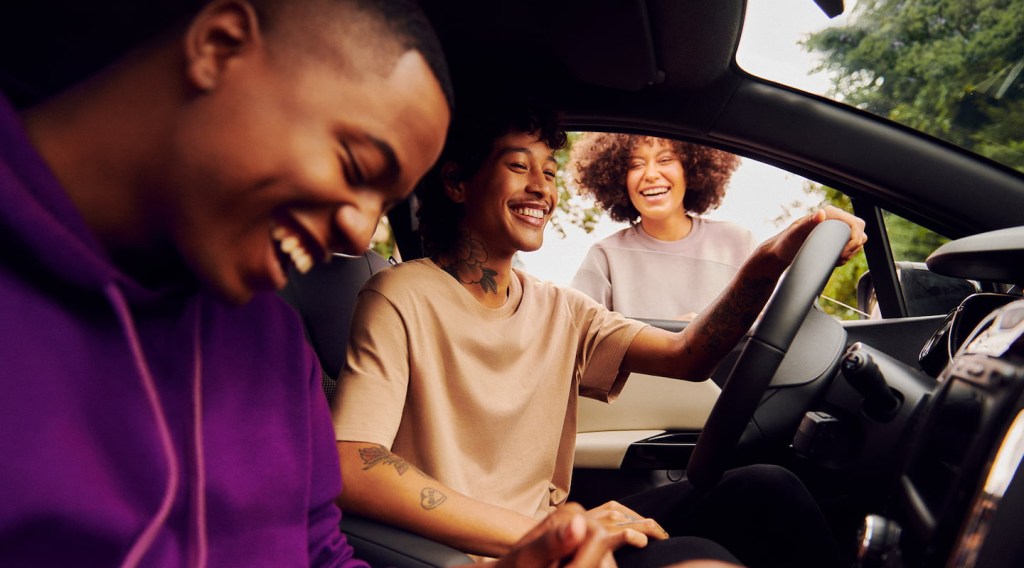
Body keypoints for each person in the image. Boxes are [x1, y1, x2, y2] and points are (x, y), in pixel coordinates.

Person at [0, 1, 620, 566]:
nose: (355, 235)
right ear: (219, 47)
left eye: (384, 200)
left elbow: (322, 553)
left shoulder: (272, 346)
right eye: (356, 167)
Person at [332, 101, 866, 567]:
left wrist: (768, 260)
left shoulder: (559, 308)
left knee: (766, 490)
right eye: (519, 167)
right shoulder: (399, 297)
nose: (541, 186)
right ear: (456, 182)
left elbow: (689, 356)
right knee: (689, 557)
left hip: (554, 530)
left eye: (548, 170)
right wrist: (550, 533)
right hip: (487, 554)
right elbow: (354, 462)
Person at [570, 133, 756, 320]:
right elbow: (579, 336)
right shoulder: (605, 257)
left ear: (689, 167)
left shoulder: (738, 243)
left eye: (665, 159)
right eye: (635, 165)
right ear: (617, 177)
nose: (651, 174)